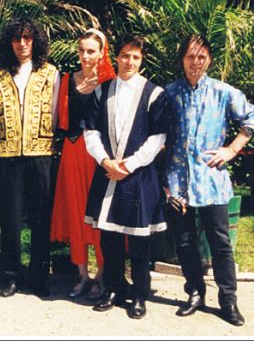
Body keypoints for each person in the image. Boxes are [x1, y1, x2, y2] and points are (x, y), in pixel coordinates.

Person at [164, 34, 254, 327]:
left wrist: (232, 149)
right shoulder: (169, 94)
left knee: (220, 244)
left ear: (209, 60)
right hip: (177, 183)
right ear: (182, 59)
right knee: (184, 242)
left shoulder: (224, 92)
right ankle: (194, 292)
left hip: (212, 181)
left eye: (202, 57)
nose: (196, 63)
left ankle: (228, 300)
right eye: (191, 57)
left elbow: (253, 117)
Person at [83, 33, 168, 319]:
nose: (130, 61)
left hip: (138, 176)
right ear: (116, 58)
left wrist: (129, 165)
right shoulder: (101, 91)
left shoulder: (154, 93)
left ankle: (140, 295)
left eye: (136, 57)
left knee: (140, 242)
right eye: (125, 55)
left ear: (142, 61)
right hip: (108, 173)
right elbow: (90, 132)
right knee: (110, 239)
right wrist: (106, 161)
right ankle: (114, 288)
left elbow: (158, 138)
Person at [0, 17, 60, 298]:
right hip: (7, 155)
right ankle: (11, 276)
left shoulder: (50, 73)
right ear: (10, 43)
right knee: (10, 219)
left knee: (41, 218)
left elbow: (53, 113)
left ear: (35, 41)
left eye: (28, 38)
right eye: (17, 39)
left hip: (40, 154)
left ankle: (40, 276)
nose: (23, 44)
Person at [50, 29, 116, 300]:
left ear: (102, 52)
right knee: (77, 213)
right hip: (73, 153)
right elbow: (58, 119)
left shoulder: (111, 82)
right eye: (82, 50)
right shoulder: (67, 80)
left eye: (91, 51)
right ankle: (82, 275)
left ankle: (102, 276)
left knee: (99, 215)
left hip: (98, 157)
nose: (86, 56)